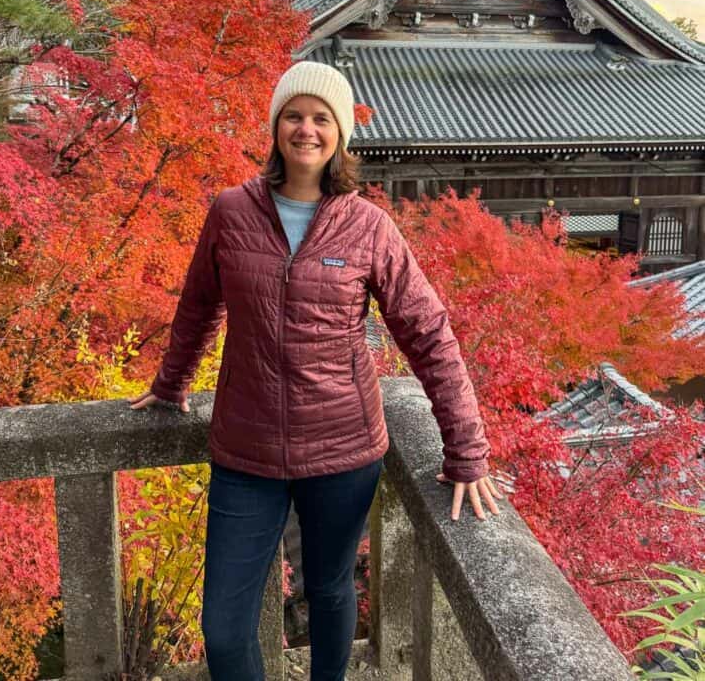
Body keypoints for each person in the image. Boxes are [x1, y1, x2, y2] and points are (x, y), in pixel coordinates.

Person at [129, 61, 501, 681]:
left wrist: (467, 448)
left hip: (344, 449)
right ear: (276, 127)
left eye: (322, 118)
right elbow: (199, 306)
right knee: (223, 627)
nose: (307, 129)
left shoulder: (368, 227)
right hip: (245, 449)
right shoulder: (230, 211)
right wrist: (171, 384)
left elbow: (428, 333)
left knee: (328, 591)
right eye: (294, 116)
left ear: (340, 135)